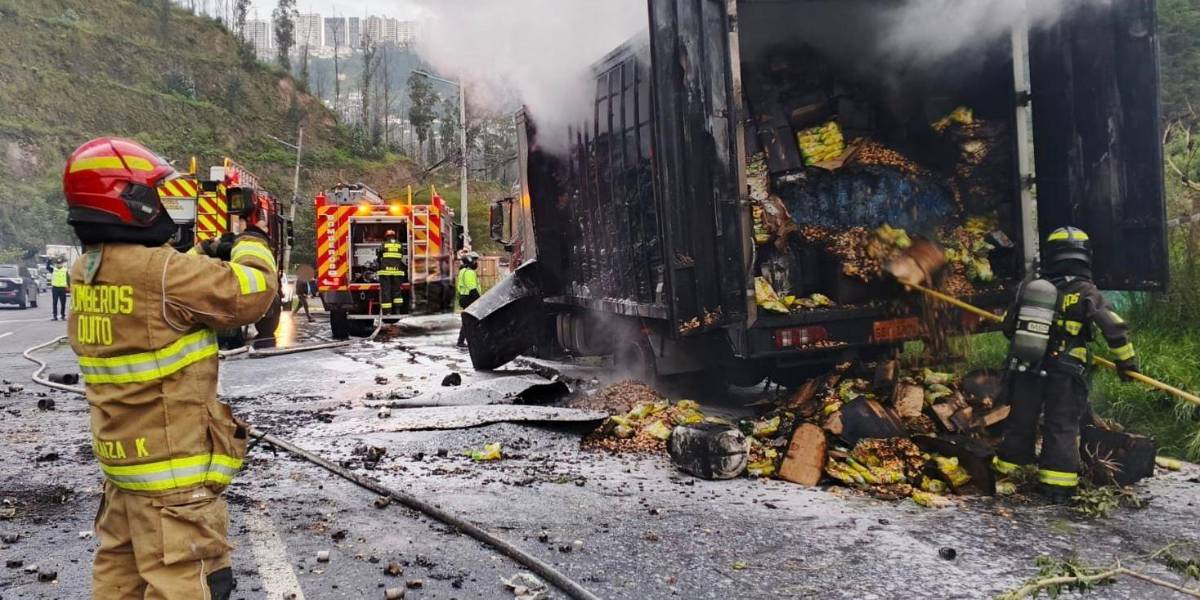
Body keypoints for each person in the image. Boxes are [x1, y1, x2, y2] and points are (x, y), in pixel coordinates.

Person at [63, 138, 277, 598]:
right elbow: (252, 291)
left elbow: (158, 287)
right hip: (175, 487)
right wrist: (252, 243)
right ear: (132, 203)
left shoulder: (86, 270)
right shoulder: (160, 273)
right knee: (190, 585)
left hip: (125, 477)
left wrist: (205, 250)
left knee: (120, 584)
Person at [993, 227, 1138, 502]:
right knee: (1061, 426)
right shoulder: (1085, 291)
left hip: (1027, 366)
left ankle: (1010, 475)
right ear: (1084, 256)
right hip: (1067, 371)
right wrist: (1127, 363)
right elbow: (1114, 328)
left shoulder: (1031, 287)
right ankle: (1057, 486)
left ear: (1050, 255)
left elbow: (1009, 328)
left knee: (1020, 422)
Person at [377, 229, 407, 315]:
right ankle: (397, 310)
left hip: (385, 272)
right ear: (395, 236)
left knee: (386, 291)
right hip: (397, 271)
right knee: (397, 290)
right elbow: (401, 255)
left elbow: (379, 256)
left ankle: (387, 312)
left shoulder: (384, 244)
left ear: (386, 236)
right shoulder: (399, 244)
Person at [456, 253, 482, 347]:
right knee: (471, 321)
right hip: (469, 298)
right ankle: (464, 341)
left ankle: (461, 341)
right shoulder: (469, 272)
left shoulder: (462, 271)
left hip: (464, 298)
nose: (476, 263)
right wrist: (480, 300)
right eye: (474, 260)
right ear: (470, 261)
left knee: (468, 321)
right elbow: (472, 288)